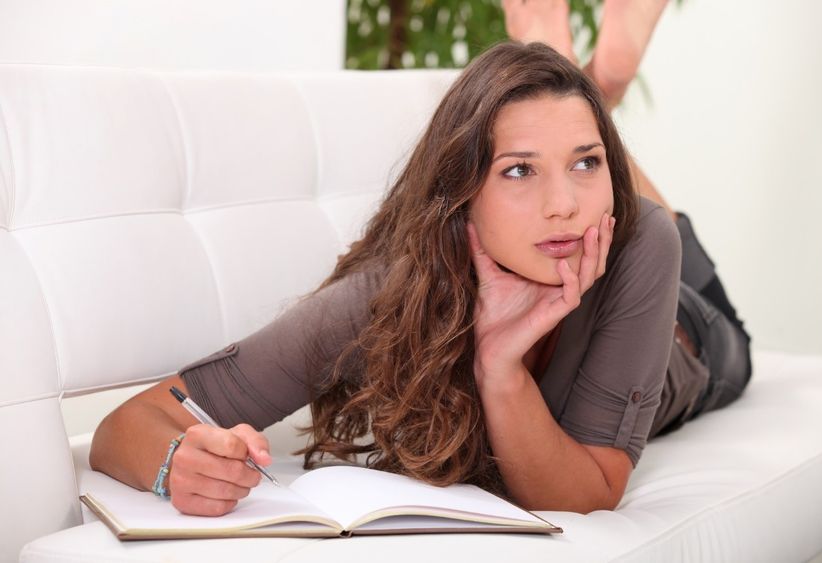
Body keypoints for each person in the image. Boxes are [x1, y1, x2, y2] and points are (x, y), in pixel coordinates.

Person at [89, 39, 751, 516]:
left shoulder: (636, 239)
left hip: (693, 337)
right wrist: (177, 460)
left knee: (664, 237)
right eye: (518, 170)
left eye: (587, 163)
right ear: (461, 192)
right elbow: (127, 425)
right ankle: (576, 87)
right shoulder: (390, 292)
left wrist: (500, 370)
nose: (564, 205)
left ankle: (587, 89)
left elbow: (590, 489)